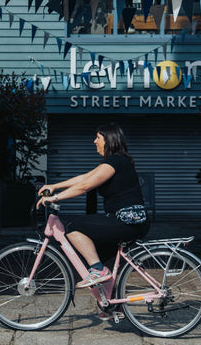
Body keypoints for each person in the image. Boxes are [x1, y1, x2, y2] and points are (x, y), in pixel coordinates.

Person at [37, 122, 149, 289]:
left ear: (109, 139)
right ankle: (110, 307)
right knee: (93, 255)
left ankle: (99, 271)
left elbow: (84, 186)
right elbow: (85, 177)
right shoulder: (113, 162)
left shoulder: (116, 162)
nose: (94, 141)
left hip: (127, 221)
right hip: (126, 221)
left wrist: (55, 198)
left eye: (98, 137)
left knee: (74, 228)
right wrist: (55, 186)